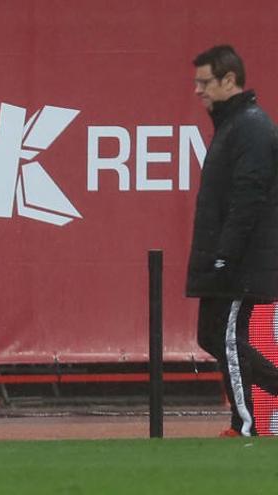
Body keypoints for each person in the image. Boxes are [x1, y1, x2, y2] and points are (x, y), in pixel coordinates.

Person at [186, 45, 278, 437]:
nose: (197, 90)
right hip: (226, 255)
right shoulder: (232, 126)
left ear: (229, 80)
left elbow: (250, 196)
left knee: (226, 336)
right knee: (211, 335)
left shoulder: (251, 127)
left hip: (241, 260)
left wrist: (226, 254)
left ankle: (244, 425)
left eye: (204, 82)